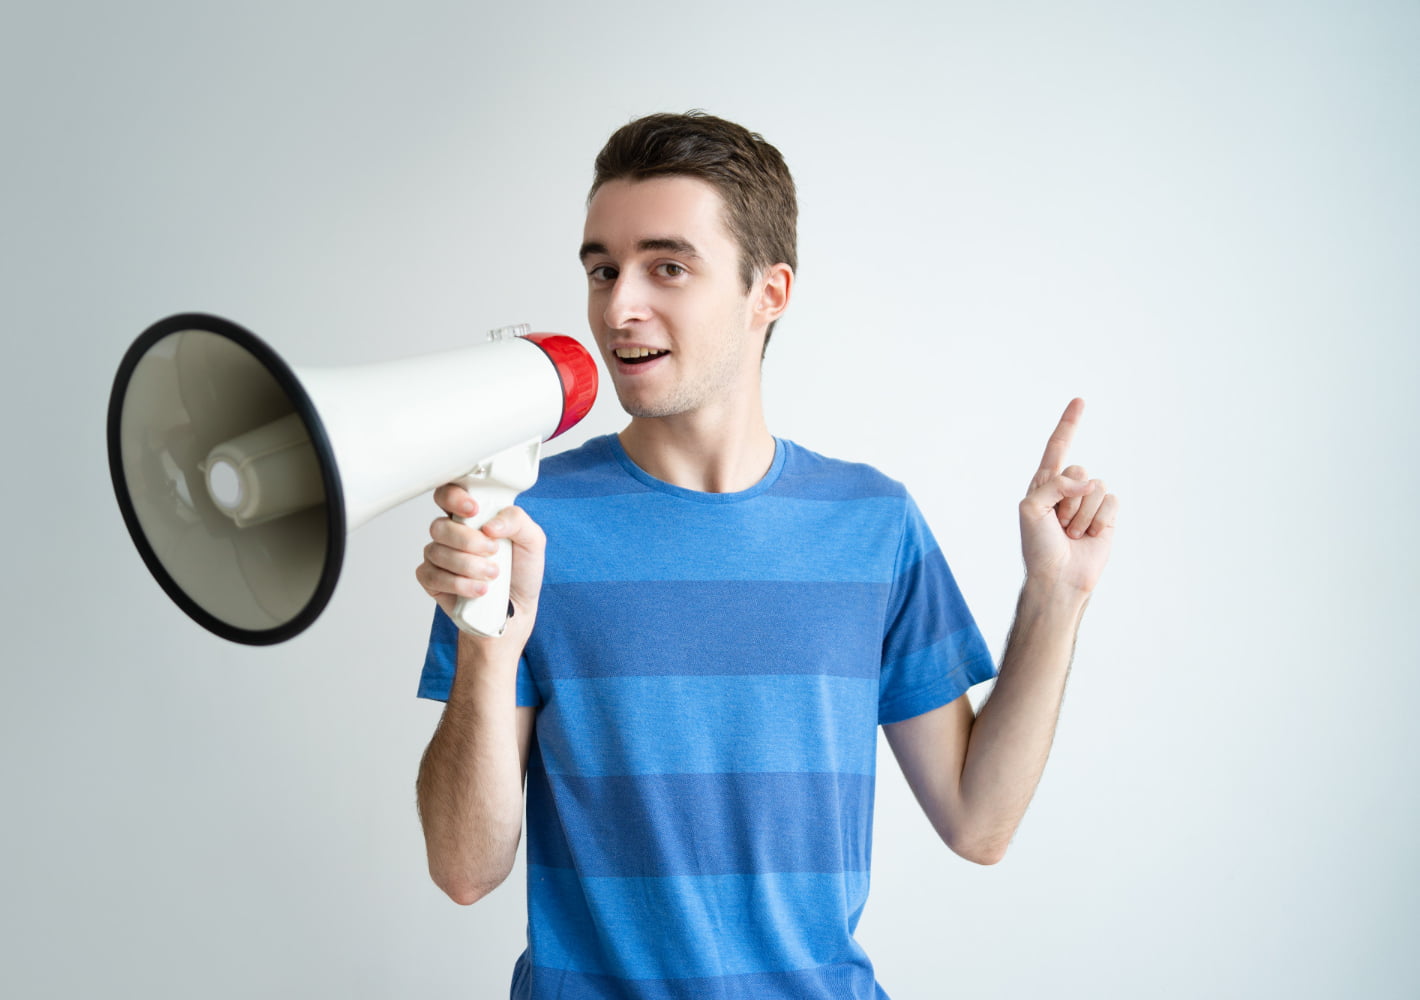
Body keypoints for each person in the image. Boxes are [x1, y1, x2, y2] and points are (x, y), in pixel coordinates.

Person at [414, 111, 1117, 1000]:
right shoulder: (524, 523)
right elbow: (464, 869)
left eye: (668, 267)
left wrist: (1056, 594)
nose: (619, 308)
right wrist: (489, 645)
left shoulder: (873, 522)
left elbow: (979, 824)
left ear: (769, 292)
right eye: (602, 270)